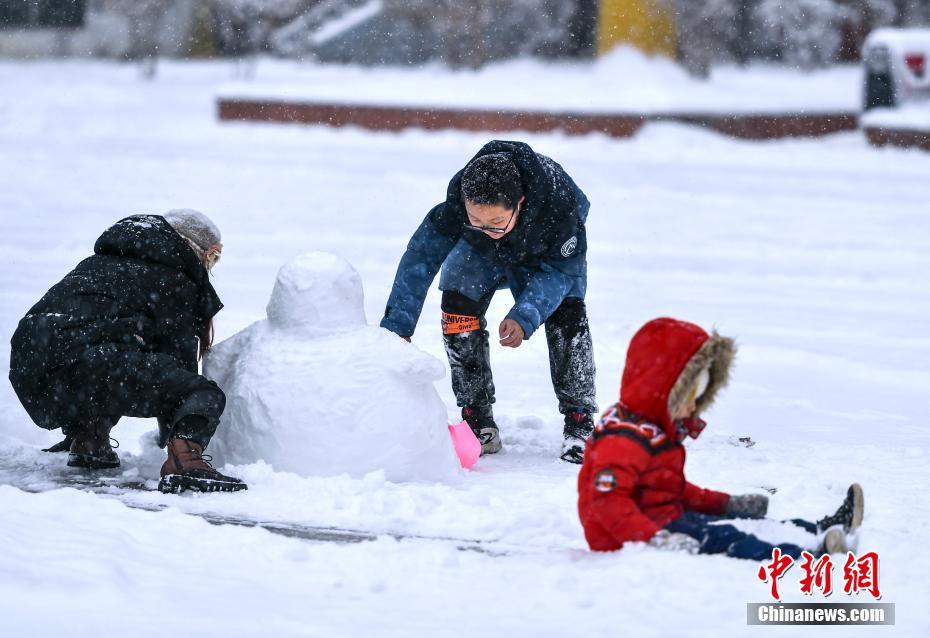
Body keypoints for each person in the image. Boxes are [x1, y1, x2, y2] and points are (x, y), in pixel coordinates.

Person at [380, 140, 596, 463]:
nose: (486, 228)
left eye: (495, 223)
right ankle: (477, 417)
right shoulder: (461, 204)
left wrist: (524, 316)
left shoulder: (559, 206)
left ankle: (580, 421)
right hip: (484, 256)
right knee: (456, 297)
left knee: (567, 311)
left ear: (519, 202)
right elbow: (421, 255)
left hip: (549, 257)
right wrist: (398, 325)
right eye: (476, 220)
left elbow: (561, 273)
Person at [577, 317, 864, 558]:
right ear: (663, 389)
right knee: (729, 537)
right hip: (642, 537)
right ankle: (807, 556)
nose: (694, 405)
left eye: (700, 395)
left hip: (666, 519)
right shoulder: (623, 439)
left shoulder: (649, 428)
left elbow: (669, 489)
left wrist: (726, 504)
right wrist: (656, 539)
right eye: (690, 394)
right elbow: (608, 503)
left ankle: (819, 530)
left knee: (746, 522)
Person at [8, 210, 247, 494]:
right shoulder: (171, 277)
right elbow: (177, 363)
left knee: (111, 363)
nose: (210, 266)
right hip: (83, 361)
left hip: (29, 366)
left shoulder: (102, 262)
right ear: (194, 247)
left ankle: (88, 439)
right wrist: (176, 427)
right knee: (201, 392)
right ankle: (184, 460)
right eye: (211, 258)